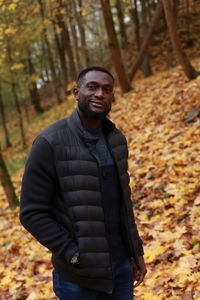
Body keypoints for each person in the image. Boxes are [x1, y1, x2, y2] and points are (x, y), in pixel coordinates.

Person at [20, 66, 146, 300]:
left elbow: (122, 203)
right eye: (93, 87)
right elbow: (32, 212)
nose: (100, 94)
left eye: (107, 90)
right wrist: (72, 253)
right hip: (77, 277)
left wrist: (136, 251)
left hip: (120, 268)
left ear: (112, 98)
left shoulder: (116, 139)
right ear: (77, 93)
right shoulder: (50, 142)